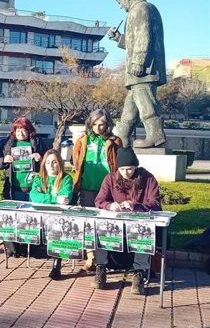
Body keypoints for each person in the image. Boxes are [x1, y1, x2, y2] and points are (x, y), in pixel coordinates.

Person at [94, 147, 161, 294]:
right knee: (100, 231)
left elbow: (155, 203)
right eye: (123, 169)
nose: (126, 173)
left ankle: (139, 272)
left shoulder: (148, 179)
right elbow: (99, 200)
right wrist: (109, 205)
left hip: (139, 222)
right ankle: (100, 268)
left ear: (136, 167)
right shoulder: (110, 178)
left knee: (143, 235)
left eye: (130, 169)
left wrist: (135, 205)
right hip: (116, 223)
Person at [108, 0, 167, 148]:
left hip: (145, 67)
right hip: (143, 66)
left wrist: (139, 62)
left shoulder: (141, 9)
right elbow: (133, 42)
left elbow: (143, 37)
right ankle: (123, 135)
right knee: (132, 102)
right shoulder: (140, 9)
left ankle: (155, 134)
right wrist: (118, 38)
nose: (121, 6)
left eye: (120, 2)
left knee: (145, 100)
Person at [72, 109, 122, 271]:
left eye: (102, 124)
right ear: (90, 124)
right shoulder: (82, 140)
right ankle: (91, 257)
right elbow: (76, 162)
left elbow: (121, 164)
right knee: (88, 224)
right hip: (87, 186)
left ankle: (106, 258)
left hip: (108, 189)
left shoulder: (116, 141)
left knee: (106, 224)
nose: (98, 127)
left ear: (107, 125)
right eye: (95, 124)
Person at [0, 118, 43, 257]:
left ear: (29, 131)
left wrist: (40, 158)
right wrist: (4, 160)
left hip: (32, 187)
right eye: (18, 130)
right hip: (14, 188)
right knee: (14, 219)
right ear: (14, 131)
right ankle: (14, 248)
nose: (21, 133)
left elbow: (49, 159)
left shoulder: (37, 142)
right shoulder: (9, 143)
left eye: (24, 130)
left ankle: (30, 248)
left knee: (31, 220)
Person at [29, 149, 74, 280]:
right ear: (44, 164)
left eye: (54, 162)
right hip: (41, 214)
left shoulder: (66, 178)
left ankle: (56, 264)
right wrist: (54, 198)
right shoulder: (38, 178)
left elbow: (66, 198)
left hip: (59, 216)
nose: (51, 165)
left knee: (57, 227)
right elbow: (34, 196)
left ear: (59, 163)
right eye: (48, 162)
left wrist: (46, 197)